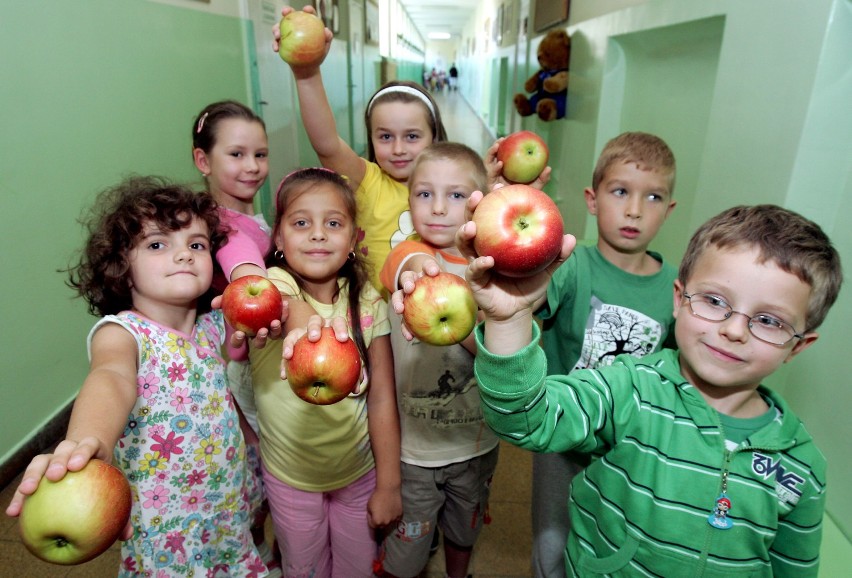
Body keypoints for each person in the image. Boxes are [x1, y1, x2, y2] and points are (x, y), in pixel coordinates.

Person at [459, 202, 842, 576]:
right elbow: (526, 418)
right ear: (678, 299)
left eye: (769, 321)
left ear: (799, 345)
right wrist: (509, 319)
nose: (734, 330)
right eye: (713, 300)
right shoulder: (630, 388)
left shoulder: (802, 467)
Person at [5, 176, 268, 576]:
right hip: (166, 525)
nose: (183, 255)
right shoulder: (124, 332)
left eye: (196, 244)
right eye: (158, 244)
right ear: (123, 269)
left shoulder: (215, 326)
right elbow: (111, 378)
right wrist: (87, 441)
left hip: (224, 505)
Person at [528, 131, 679, 577]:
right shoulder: (571, 264)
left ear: (668, 210)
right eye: (620, 192)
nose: (634, 209)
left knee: (615, 543)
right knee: (551, 540)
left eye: (653, 197)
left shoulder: (677, 287)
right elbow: (525, 300)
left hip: (629, 445)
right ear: (593, 200)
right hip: (562, 436)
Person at [249, 168, 402, 577]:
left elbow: (383, 397)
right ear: (279, 238)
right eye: (301, 223)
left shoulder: (368, 302)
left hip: (358, 471)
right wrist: (302, 320)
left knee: (357, 568)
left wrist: (389, 484)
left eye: (333, 223)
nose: (318, 234)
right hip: (290, 478)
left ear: (353, 239)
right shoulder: (270, 288)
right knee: (305, 569)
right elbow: (278, 300)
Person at [375, 143, 499, 578]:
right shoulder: (405, 258)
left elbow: (498, 357)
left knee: (464, 532)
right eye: (424, 194)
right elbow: (408, 262)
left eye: (456, 195)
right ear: (409, 203)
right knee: (407, 547)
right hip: (414, 452)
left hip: (476, 444)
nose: (439, 208)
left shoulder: (489, 271)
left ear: (479, 204)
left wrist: (464, 320)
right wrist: (422, 273)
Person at [273, 5, 448, 293]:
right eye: (385, 137)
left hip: (435, 314)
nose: (399, 148)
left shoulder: (452, 186)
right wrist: (307, 74)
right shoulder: (369, 181)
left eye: (413, 136)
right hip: (373, 322)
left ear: (434, 136)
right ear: (371, 138)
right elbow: (326, 143)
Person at [192, 100, 282, 574]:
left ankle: (261, 549)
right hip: (236, 366)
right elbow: (241, 261)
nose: (252, 167)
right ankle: (256, 554)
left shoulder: (248, 214)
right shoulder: (223, 227)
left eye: (260, 154)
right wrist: (257, 282)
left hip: (245, 355)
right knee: (253, 469)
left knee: (254, 471)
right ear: (203, 160)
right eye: (237, 154)